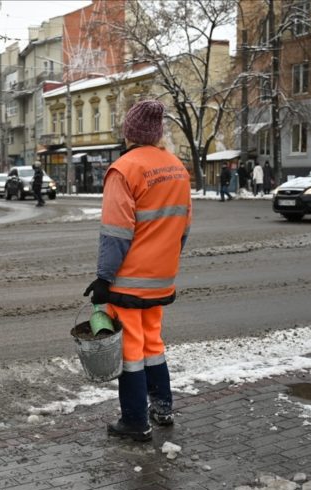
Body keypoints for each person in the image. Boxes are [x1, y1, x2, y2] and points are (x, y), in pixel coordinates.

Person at [83, 99, 192, 442]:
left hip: (128, 282)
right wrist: (165, 261)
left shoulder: (124, 169)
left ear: (129, 132)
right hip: (161, 278)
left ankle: (134, 420)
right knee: (153, 343)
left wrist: (104, 278)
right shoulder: (177, 167)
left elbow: (115, 232)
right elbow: (183, 228)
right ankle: (162, 406)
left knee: (130, 350)